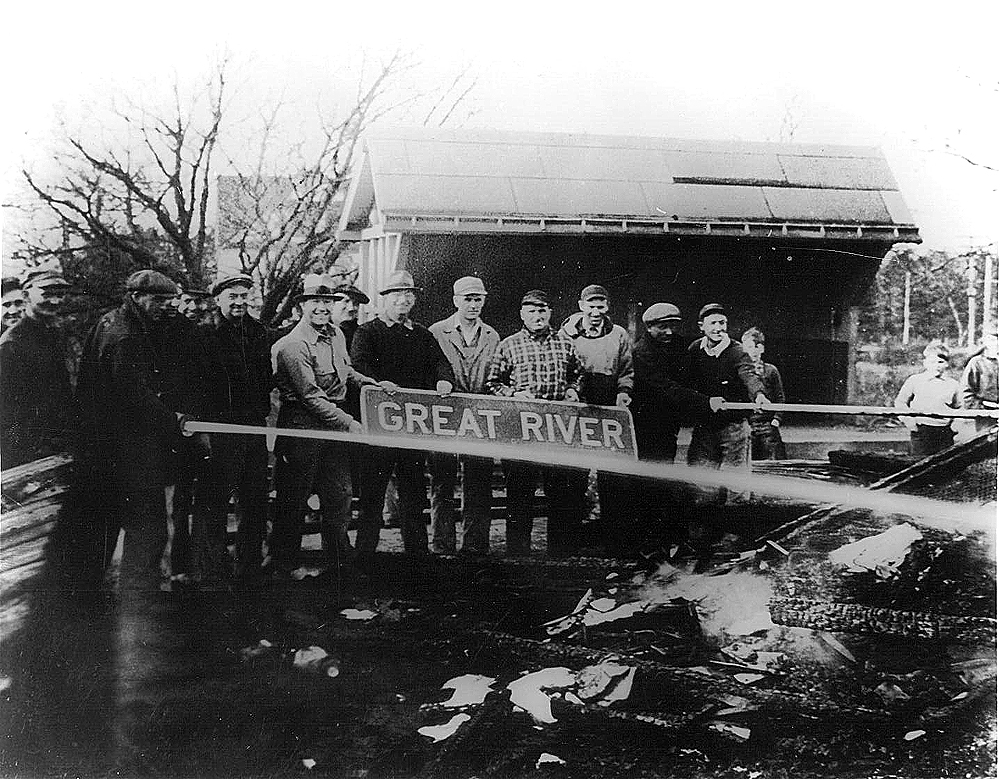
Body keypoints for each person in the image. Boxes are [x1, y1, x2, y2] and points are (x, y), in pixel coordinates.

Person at [73, 270, 210, 594]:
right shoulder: (126, 336)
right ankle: (139, 602)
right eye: (159, 300)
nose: (166, 306)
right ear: (136, 297)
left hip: (105, 445)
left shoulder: (113, 322)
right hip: (126, 449)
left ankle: (109, 599)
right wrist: (173, 419)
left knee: (110, 529)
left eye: (170, 300)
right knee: (148, 530)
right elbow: (134, 396)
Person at [270, 274, 376, 581]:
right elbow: (310, 397)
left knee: (340, 494)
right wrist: (350, 423)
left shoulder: (336, 334)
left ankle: (339, 563)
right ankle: (283, 564)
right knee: (295, 497)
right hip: (302, 426)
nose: (322, 308)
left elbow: (347, 372)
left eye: (328, 302)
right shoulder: (292, 345)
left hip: (332, 425)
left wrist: (373, 384)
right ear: (302, 306)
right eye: (315, 301)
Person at [350, 270, 454, 568]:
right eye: (397, 294)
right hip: (380, 427)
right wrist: (377, 383)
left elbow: (440, 363)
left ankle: (417, 558)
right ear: (385, 298)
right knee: (372, 495)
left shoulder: (422, 335)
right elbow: (359, 366)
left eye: (408, 294)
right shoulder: (368, 332)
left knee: (413, 493)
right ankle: (365, 558)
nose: (403, 299)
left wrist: (443, 380)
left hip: (411, 428)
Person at [486, 289, 585, 558]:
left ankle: (559, 554)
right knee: (520, 492)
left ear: (550, 313)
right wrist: (513, 394)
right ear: (522, 315)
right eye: (531, 311)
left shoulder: (565, 344)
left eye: (542, 310)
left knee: (559, 493)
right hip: (521, 430)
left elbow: (578, 375)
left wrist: (573, 389)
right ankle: (518, 553)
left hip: (556, 430)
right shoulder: (509, 345)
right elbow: (493, 383)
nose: (537, 316)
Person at [194, 273, 274, 584]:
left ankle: (248, 568)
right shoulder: (204, 334)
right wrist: (205, 429)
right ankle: (212, 571)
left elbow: (265, 377)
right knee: (214, 502)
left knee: (253, 500)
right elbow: (197, 385)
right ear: (218, 300)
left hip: (252, 428)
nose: (239, 302)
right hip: (219, 429)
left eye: (244, 296)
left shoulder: (257, 332)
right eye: (232, 297)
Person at [628, 303, 718, 555]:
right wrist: (703, 401)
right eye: (662, 327)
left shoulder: (678, 345)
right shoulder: (641, 352)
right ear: (649, 327)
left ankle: (666, 538)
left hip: (668, 423)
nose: (669, 332)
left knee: (664, 474)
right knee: (651, 479)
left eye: (673, 326)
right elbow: (665, 387)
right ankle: (649, 541)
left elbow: (689, 377)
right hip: (645, 424)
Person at [428, 276, 501, 556]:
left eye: (478, 299)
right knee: (442, 482)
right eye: (468, 299)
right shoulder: (437, 332)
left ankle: (475, 546)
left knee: (478, 483)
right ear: (455, 301)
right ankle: (443, 544)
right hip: (445, 415)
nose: (473, 305)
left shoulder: (492, 335)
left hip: (479, 417)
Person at [559, 283, 633, 548]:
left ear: (607, 307)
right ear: (581, 306)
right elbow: (562, 367)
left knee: (611, 471)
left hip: (608, 406)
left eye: (600, 306)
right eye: (590, 306)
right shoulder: (566, 334)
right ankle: (571, 538)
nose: (595, 312)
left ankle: (613, 539)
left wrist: (624, 392)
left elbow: (626, 370)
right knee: (575, 471)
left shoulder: (619, 334)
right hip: (577, 406)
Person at [686, 304, 767, 496]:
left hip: (734, 426)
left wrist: (759, 394)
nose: (718, 328)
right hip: (705, 425)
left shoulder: (737, 351)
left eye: (722, 323)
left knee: (735, 482)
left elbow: (749, 375)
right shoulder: (695, 349)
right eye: (713, 323)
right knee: (702, 481)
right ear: (701, 326)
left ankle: (736, 511)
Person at [0, 268, 76, 468]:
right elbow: (8, 413)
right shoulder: (12, 344)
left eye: (60, 294)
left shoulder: (54, 332)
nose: (55, 301)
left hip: (59, 444)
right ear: (26, 296)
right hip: (33, 454)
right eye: (47, 294)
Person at [894, 341, 962, 457]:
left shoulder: (953, 384)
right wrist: (910, 422)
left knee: (944, 462)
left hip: (944, 431)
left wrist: (955, 425)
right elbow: (900, 402)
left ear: (947, 364)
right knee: (919, 461)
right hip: (921, 430)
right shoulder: (915, 380)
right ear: (925, 363)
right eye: (932, 362)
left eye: (940, 362)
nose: (936, 365)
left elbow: (960, 407)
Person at [740, 327, 787, 460]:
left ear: (760, 348)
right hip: (748, 424)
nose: (745, 351)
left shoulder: (771, 371)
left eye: (750, 347)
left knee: (774, 462)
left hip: (768, 425)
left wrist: (776, 420)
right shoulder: (740, 372)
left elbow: (780, 397)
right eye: (744, 347)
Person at [961, 324, 999, 433]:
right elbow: (966, 392)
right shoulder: (976, 363)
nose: (997, 343)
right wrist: (981, 408)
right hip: (984, 415)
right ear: (985, 342)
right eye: (992, 340)